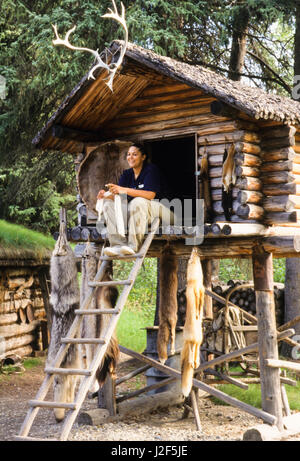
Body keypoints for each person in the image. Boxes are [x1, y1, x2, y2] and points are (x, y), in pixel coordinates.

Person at [97, 143, 174, 257]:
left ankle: (133, 246)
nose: (130, 157)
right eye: (128, 154)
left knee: (137, 201)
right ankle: (117, 245)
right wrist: (106, 195)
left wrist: (123, 189)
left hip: (167, 213)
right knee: (108, 204)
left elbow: (150, 195)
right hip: (142, 212)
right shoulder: (127, 174)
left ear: (143, 157)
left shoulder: (151, 170)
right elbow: (120, 196)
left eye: (134, 154)